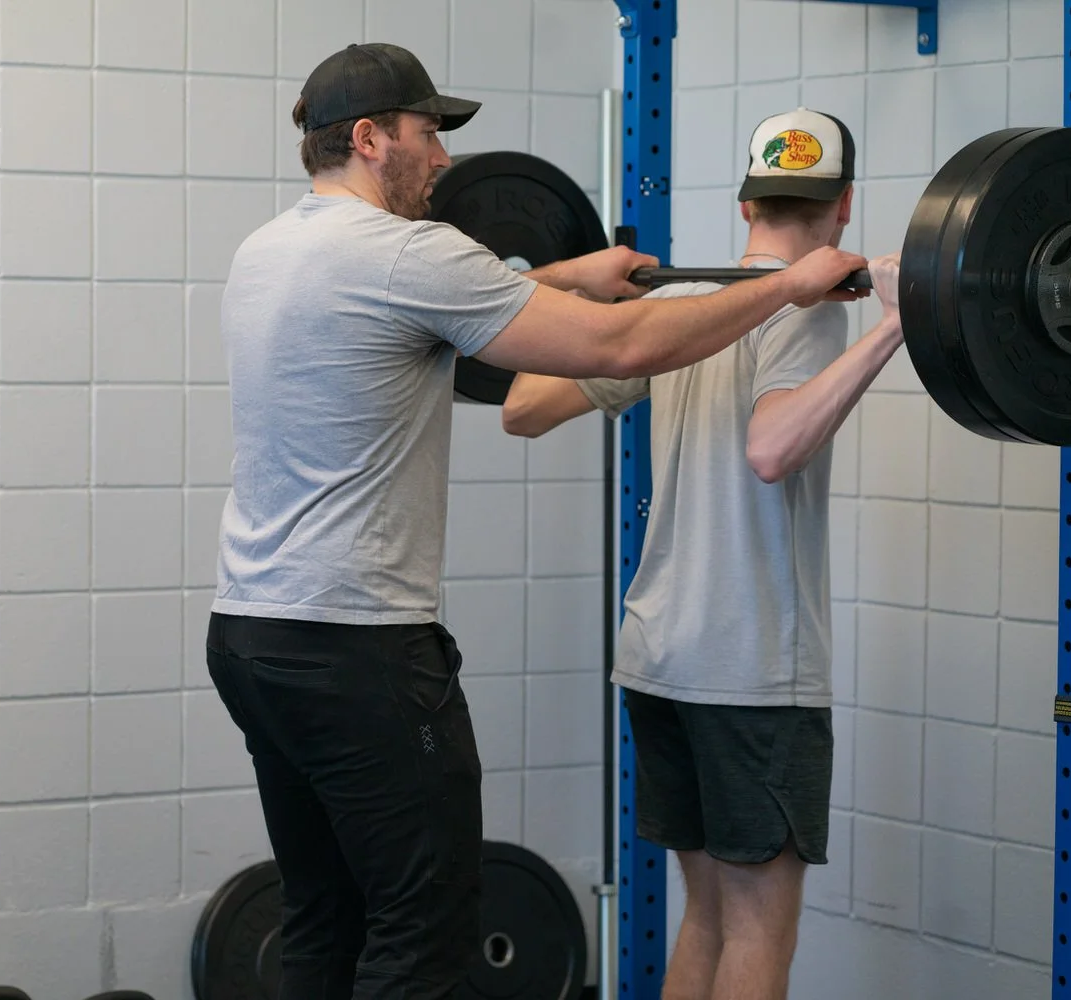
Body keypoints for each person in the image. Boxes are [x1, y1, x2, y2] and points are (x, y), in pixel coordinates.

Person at [204, 41, 868, 999]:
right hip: (360, 653)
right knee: (420, 937)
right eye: (429, 135)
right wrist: (786, 288)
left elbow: (448, 321)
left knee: (324, 917)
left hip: (254, 637)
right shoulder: (404, 252)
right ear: (369, 138)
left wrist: (564, 273)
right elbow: (617, 344)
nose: (443, 160)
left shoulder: (270, 250)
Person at [501, 108, 905, 1000]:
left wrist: (602, 305)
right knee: (760, 931)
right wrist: (891, 328)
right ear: (842, 208)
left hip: (660, 661)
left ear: (744, 206)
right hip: (751, 668)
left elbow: (522, 403)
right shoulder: (805, 310)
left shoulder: (679, 311)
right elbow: (772, 450)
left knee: (708, 918)